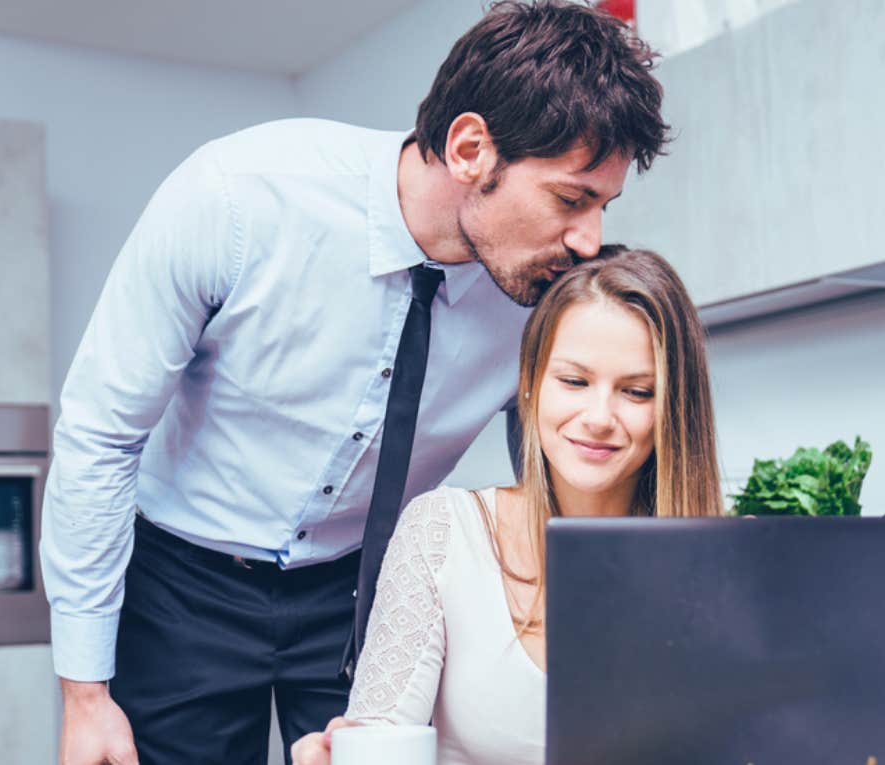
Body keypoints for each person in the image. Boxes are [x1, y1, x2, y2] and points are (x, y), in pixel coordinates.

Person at [43, 2, 669, 764]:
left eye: (603, 207)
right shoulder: (238, 197)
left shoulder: (544, 287)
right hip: (182, 581)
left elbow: (559, 462)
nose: (588, 239)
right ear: (471, 148)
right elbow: (101, 433)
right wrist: (85, 694)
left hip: (365, 588)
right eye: (572, 199)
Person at [290, 248, 723, 765]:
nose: (599, 417)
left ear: (674, 408)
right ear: (530, 383)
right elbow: (381, 732)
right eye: (574, 381)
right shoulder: (443, 533)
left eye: (636, 391)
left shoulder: (720, 566)